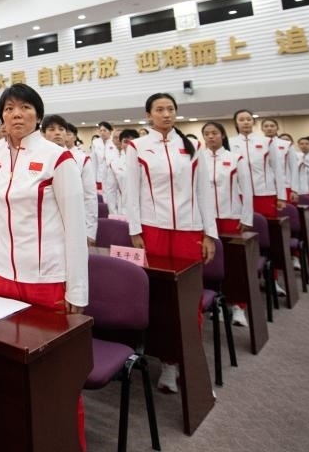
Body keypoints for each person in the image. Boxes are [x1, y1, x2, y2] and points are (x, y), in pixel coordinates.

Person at [0, 84, 87, 448]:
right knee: (6, 371)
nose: (17, 114)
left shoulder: (58, 158)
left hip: (47, 279)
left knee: (55, 375)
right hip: (3, 279)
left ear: (38, 115)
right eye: (9, 108)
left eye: (25, 107)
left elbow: (75, 227)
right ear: (2, 116)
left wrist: (77, 290)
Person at [124, 93, 216, 394]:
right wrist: (135, 232)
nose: (166, 114)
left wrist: (209, 233)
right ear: (148, 115)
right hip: (153, 230)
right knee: (160, 301)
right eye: (160, 109)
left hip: (190, 230)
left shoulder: (193, 146)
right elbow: (131, 193)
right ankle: (168, 363)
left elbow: (203, 193)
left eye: (171, 109)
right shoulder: (137, 147)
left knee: (190, 300)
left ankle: (191, 363)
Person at [200, 121, 253, 326]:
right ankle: (218, 305)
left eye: (214, 133)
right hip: (207, 219)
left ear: (222, 135)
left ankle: (238, 306)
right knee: (210, 262)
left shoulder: (235, 158)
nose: (210, 137)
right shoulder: (199, 158)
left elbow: (246, 189)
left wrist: (246, 218)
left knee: (233, 264)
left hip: (231, 216)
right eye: (206, 133)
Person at [42, 114, 97, 245]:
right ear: (43, 134)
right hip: (44, 225)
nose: (57, 133)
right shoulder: (37, 159)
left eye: (61, 129)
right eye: (51, 129)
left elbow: (89, 197)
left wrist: (90, 231)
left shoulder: (81, 159)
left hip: (74, 222)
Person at [229, 109, 286, 219]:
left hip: (265, 193)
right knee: (246, 226)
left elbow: (277, 169)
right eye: (241, 120)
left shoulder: (267, 141)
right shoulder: (230, 143)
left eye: (248, 119)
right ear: (236, 123)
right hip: (240, 194)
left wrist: (281, 196)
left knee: (268, 224)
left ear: (253, 122)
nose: (246, 122)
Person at [261, 118, 298, 204]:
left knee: (286, 211)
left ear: (277, 128)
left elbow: (294, 168)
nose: (269, 128)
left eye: (272, 126)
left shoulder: (287, 144)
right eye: (266, 126)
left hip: (285, 186)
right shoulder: (258, 144)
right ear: (262, 128)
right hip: (264, 188)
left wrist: (294, 190)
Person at [102, 129, 139, 214]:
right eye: (125, 142)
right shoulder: (114, 164)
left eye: (132, 141)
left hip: (146, 211)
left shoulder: (145, 162)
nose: (129, 145)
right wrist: (113, 213)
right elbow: (111, 191)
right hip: (124, 210)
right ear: (121, 143)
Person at [89, 121, 115, 190]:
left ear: (110, 131)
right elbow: (94, 161)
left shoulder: (114, 141)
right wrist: (93, 178)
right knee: (100, 195)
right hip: (99, 175)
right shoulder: (95, 142)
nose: (102, 132)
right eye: (100, 130)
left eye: (104, 130)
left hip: (112, 174)